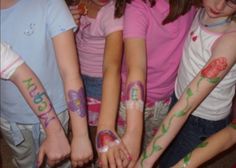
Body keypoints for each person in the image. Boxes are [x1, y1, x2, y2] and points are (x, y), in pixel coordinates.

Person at [95, 0, 196, 167]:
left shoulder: (195, 5)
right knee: (120, 158)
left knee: (150, 154)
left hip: (167, 100)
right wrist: (134, 131)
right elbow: (137, 68)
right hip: (130, 105)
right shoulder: (137, 6)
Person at [137, 0, 236, 167]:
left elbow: (186, 106)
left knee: (171, 161)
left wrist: (143, 163)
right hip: (179, 97)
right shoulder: (200, 10)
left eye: (232, 2)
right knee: (166, 150)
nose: (218, 6)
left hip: (203, 120)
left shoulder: (231, 41)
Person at [0, 0, 93, 167]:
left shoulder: (50, 3)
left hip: (57, 110)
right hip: (11, 118)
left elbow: (70, 73)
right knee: (25, 161)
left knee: (60, 161)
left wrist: (80, 135)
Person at [68, 0, 131, 167]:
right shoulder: (73, 5)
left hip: (101, 82)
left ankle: (100, 159)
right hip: (76, 76)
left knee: (96, 127)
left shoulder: (112, 13)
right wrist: (67, 27)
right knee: (80, 123)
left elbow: (112, 67)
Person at [0, 42, 71, 167]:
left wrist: (55, 131)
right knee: (23, 158)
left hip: (52, 110)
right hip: (9, 116)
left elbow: (20, 73)